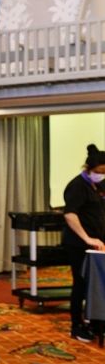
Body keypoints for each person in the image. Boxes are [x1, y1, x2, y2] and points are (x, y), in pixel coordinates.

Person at [61, 144, 105, 343]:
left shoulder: (99, 186)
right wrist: (87, 238)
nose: (101, 176)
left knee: (97, 283)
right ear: (88, 168)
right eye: (98, 172)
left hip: (97, 242)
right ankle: (76, 326)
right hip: (78, 243)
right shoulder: (77, 186)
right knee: (81, 282)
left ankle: (96, 322)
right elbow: (70, 215)